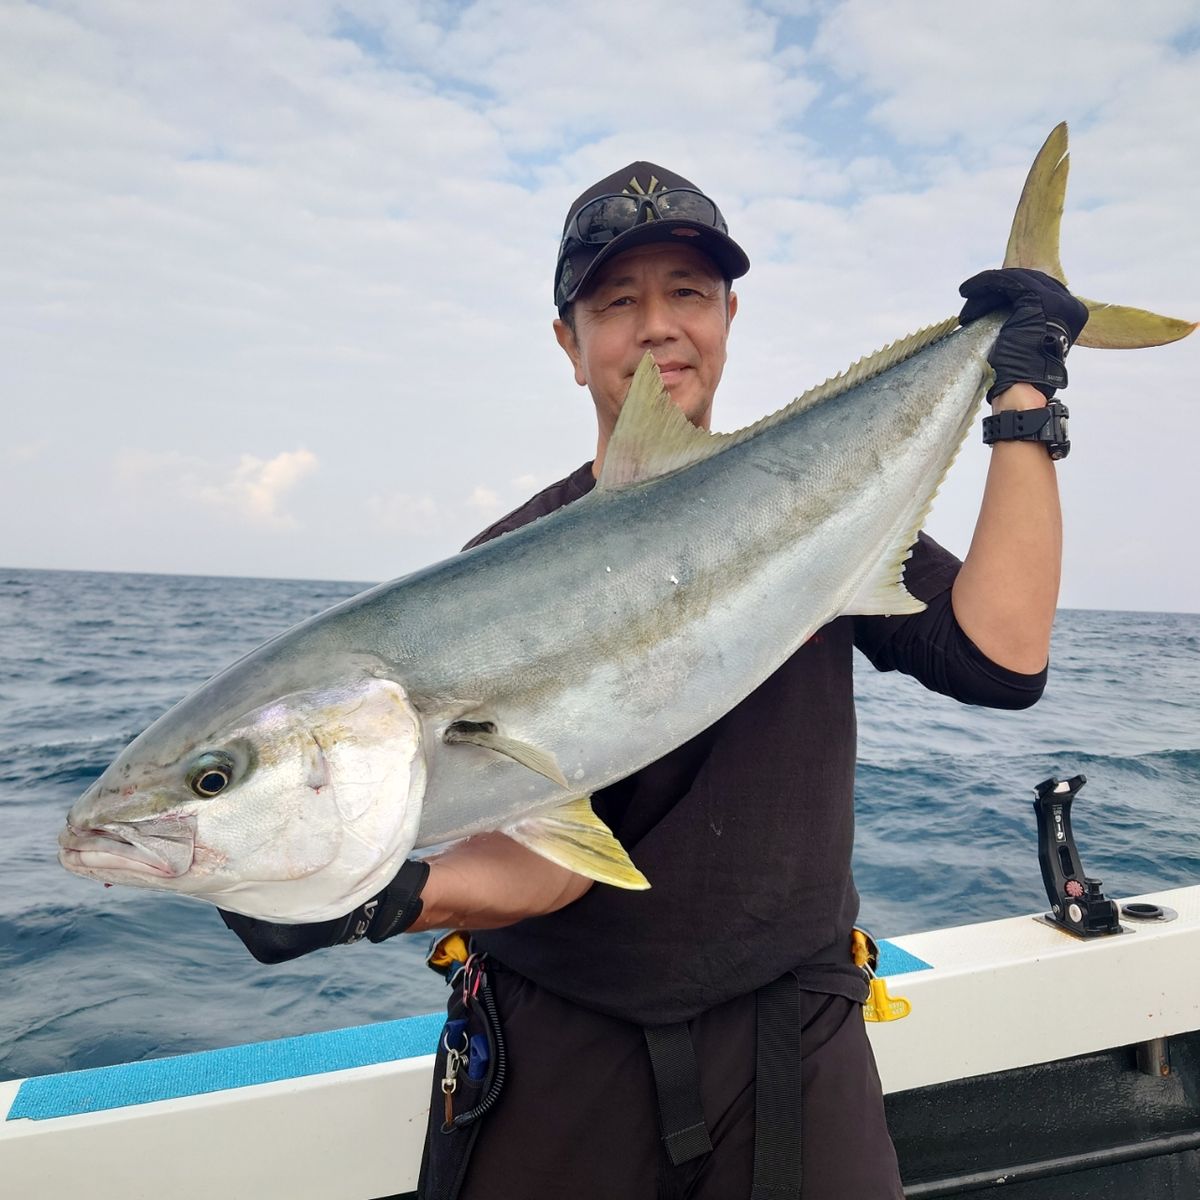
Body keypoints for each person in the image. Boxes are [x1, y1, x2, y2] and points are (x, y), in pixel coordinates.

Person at [220, 162, 1088, 1199]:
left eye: (687, 293)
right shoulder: (500, 571)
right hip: (562, 1046)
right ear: (568, 341)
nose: (656, 327)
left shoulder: (807, 506)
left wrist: (1022, 397)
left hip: (794, 1038)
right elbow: (553, 863)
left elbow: (1002, 661)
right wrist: (380, 898)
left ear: (728, 314)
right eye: (615, 302)